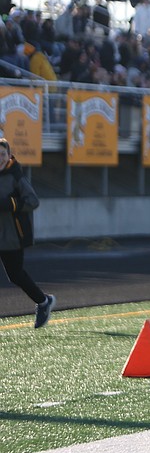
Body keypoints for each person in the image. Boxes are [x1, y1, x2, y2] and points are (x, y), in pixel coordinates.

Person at [0, 138, 55, 328]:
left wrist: (11, 204)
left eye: (2, 154)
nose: (0, 158)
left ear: (9, 156)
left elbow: (33, 201)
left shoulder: (16, 176)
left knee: (15, 275)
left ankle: (43, 301)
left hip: (11, 236)